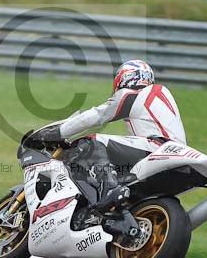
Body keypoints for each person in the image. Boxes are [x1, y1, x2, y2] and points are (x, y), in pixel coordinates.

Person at [29, 59, 186, 212]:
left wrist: (56, 132)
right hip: (176, 154)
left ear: (125, 78)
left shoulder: (133, 94)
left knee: (91, 142)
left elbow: (97, 116)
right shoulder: (161, 94)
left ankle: (109, 190)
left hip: (157, 148)